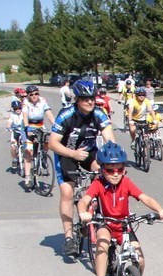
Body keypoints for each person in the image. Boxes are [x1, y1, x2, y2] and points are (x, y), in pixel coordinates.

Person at [77, 141, 163, 276]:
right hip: (105, 223)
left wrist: (160, 210)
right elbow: (84, 200)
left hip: (124, 225)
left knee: (139, 258)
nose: (115, 174)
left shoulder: (126, 182)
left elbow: (144, 197)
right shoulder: (98, 184)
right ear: (102, 169)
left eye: (120, 170)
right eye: (110, 170)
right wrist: (82, 212)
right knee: (102, 243)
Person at [48, 80, 115, 257]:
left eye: (92, 98)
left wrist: (114, 163)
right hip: (66, 153)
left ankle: (97, 211)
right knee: (67, 192)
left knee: (104, 174)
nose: (90, 102)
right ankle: (69, 237)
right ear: (77, 99)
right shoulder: (66, 115)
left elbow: (110, 139)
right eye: (85, 99)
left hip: (88, 152)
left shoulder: (99, 113)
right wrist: (73, 154)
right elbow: (52, 143)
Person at [22, 85, 55, 189]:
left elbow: (49, 114)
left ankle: (44, 156)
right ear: (28, 96)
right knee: (29, 151)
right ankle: (27, 177)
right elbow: (25, 116)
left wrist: (55, 126)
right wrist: (27, 128)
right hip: (29, 126)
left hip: (40, 125)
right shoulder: (26, 103)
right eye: (31, 94)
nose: (34, 96)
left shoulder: (42, 101)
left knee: (48, 139)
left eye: (36, 93)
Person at [6, 100, 24, 169]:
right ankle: (14, 159)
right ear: (13, 109)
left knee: (26, 145)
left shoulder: (24, 113)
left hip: (23, 132)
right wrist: (8, 128)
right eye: (16, 109)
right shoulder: (12, 115)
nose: (18, 110)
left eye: (19, 108)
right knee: (13, 146)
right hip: (15, 131)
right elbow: (9, 122)